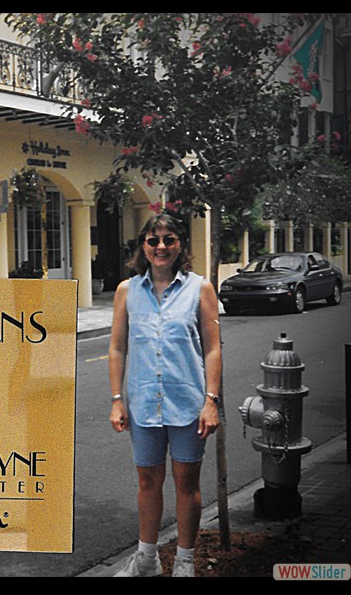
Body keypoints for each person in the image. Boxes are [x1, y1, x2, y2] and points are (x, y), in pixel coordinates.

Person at [108, 213, 221, 577]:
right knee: (147, 482)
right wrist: (116, 399)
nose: (161, 247)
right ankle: (147, 560)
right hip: (143, 404)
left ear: (180, 244)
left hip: (189, 405)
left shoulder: (199, 288)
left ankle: (185, 562)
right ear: (143, 245)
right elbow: (117, 349)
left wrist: (211, 401)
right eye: (154, 240)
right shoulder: (127, 290)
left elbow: (212, 349)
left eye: (169, 239)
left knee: (187, 482)